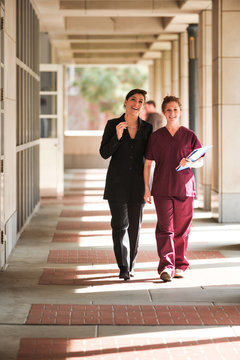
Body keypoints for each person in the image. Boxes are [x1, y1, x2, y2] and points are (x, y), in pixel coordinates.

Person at [144, 95, 204, 282]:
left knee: (182, 229)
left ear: (180, 111)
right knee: (165, 229)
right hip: (162, 188)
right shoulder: (156, 137)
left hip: (184, 188)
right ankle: (166, 267)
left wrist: (191, 164)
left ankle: (180, 265)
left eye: (175, 110)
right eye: (168, 110)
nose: (172, 113)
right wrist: (146, 188)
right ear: (164, 112)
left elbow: (201, 160)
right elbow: (147, 164)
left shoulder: (189, 135)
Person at [100, 89, 153, 281]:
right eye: (133, 99)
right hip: (117, 184)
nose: (136, 103)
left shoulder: (147, 128)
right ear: (125, 101)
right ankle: (123, 267)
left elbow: (149, 158)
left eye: (140, 100)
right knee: (120, 225)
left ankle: (131, 266)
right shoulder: (113, 124)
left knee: (135, 228)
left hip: (138, 185)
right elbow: (104, 153)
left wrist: (149, 186)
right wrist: (117, 136)